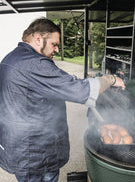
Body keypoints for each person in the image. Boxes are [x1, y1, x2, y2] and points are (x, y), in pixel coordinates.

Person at [0, 18, 125, 182]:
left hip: (20, 148)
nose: (57, 49)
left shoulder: (12, 58)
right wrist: (111, 80)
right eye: (54, 44)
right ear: (38, 38)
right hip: (36, 155)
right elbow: (80, 91)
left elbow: (57, 83)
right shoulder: (34, 64)